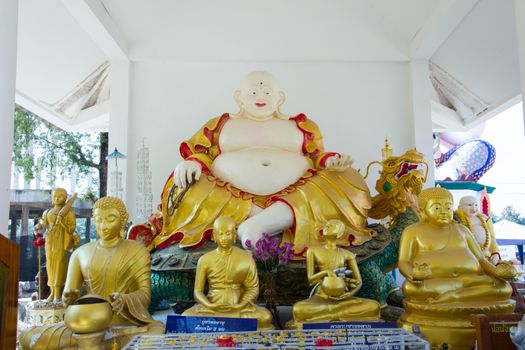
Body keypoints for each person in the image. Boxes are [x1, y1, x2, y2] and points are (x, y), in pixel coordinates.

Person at [155, 71, 373, 256]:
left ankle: (258, 226)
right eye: (253, 93)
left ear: (280, 98)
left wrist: (333, 162)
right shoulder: (221, 124)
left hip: (296, 194)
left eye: (268, 93)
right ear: (239, 97)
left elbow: (318, 157)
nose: (261, 97)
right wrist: (192, 163)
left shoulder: (300, 125)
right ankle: (265, 219)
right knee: (182, 185)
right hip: (231, 198)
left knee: (348, 178)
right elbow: (203, 153)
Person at [20, 196, 164, 350]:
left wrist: (125, 299)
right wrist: (70, 296)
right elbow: (70, 295)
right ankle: (94, 344)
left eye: (110, 219)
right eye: (99, 219)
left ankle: (89, 344)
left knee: (156, 333)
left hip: (124, 324)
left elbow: (145, 295)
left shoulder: (137, 250)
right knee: (29, 337)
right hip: (86, 323)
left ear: (123, 220)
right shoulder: (81, 253)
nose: (103, 226)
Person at [398, 187, 515, 348]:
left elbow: (481, 259)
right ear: (424, 211)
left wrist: (497, 271)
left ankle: (453, 296)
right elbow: (404, 261)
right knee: (412, 288)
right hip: (435, 284)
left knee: (504, 288)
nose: (444, 212)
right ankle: (457, 293)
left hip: (472, 280)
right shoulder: (413, 231)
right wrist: (414, 273)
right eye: (437, 208)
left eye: (447, 207)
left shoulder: (462, 230)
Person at [182, 216, 274, 330]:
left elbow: (252, 289)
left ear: (234, 235)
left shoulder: (246, 258)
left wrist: (241, 304)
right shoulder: (205, 259)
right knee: (186, 316)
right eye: (220, 234)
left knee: (265, 317)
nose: (224, 238)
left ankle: (215, 325)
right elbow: (198, 292)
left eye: (228, 233)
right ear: (214, 236)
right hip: (212, 306)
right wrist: (209, 304)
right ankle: (229, 323)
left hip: (239, 305)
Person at [287, 219, 380, 328]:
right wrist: (326, 272)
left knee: (374, 306)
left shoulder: (347, 254)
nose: (327, 226)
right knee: (298, 309)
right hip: (322, 297)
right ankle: (337, 315)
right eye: (327, 225)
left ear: (340, 234)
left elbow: (358, 281)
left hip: (343, 298)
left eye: (331, 226)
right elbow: (311, 279)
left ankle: (329, 316)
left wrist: (349, 294)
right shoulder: (312, 251)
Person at [35, 188, 78, 303]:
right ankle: (52, 292)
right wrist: (38, 228)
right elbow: (43, 226)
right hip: (50, 240)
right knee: (50, 265)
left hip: (61, 240)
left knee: (59, 264)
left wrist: (62, 223)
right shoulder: (47, 212)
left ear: (65, 198)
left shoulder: (68, 212)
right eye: (55, 196)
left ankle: (58, 293)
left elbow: (72, 227)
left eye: (61, 196)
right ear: (52, 198)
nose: (57, 198)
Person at [455, 195, 499, 261]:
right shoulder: (457, 220)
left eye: (476, 205)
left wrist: (495, 253)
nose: (474, 208)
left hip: (486, 255)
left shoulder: (485, 219)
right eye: (469, 205)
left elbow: (492, 238)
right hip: (467, 256)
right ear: (460, 207)